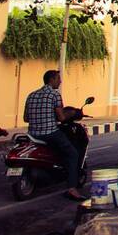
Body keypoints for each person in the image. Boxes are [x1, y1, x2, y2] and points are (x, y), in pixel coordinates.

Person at [24, 69, 86, 201]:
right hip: (50, 133)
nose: (60, 81)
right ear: (51, 80)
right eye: (58, 78)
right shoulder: (54, 95)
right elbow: (62, 118)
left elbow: (26, 118)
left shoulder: (31, 95)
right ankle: (72, 189)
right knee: (73, 154)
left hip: (33, 134)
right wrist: (72, 114)